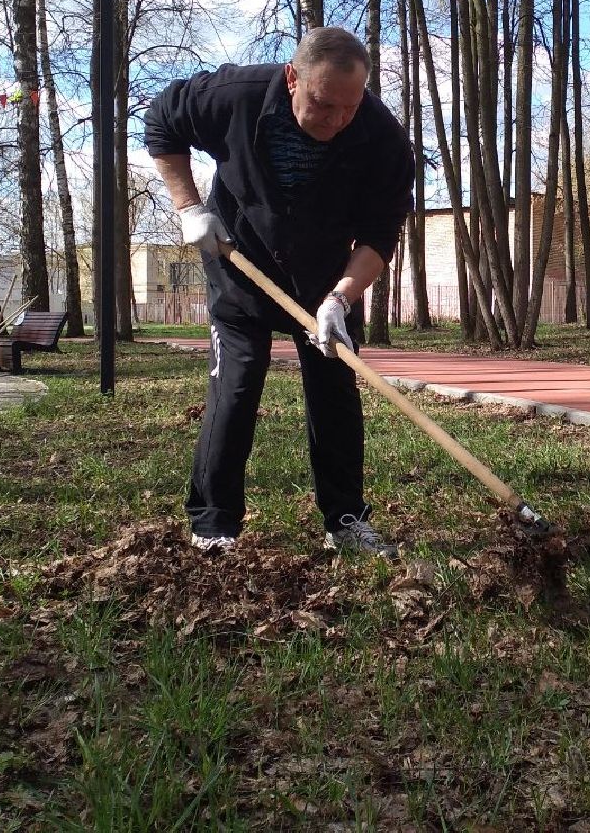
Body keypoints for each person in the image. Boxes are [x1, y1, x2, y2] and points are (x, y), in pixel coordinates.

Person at [144, 27, 414, 558]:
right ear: (293, 78)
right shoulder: (235, 97)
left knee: (335, 391)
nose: (336, 121)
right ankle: (214, 523)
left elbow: (380, 236)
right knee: (236, 385)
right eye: (323, 104)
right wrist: (189, 207)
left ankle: (346, 521)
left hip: (326, 280)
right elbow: (161, 121)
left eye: (349, 108)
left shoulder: (383, 139)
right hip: (240, 265)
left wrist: (341, 298)